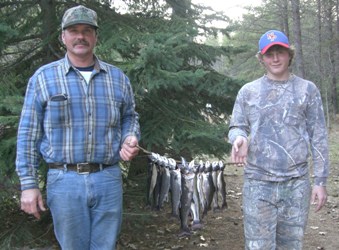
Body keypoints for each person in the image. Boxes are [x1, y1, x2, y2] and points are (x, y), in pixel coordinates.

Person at [16, 5, 140, 249]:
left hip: (108, 178)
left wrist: (130, 136)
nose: (80, 36)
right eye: (73, 30)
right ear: (63, 36)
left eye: (87, 30)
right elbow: (28, 134)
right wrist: (29, 185)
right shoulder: (43, 78)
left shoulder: (118, 79)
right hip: (64, 181)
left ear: (95, 36)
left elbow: (130, 116)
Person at [228, 30, 330, 250]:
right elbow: (236, 125)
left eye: (280, 52)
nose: (275, 58)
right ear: (262, 58)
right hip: (258, 183)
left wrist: (320, 182)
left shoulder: (307, 90)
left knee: (291, 247)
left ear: (289, 55)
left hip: (296, 184)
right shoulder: (248, 91)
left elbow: (319, 137)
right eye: (269, 54)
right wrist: (239, 138)